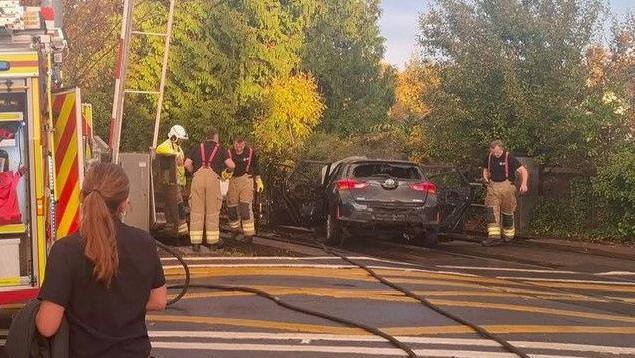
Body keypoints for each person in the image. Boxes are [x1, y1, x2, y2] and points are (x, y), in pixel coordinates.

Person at [35, 162, 167, 358]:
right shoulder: (144, 242)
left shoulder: (65, 250)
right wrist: (124, 304)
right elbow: (158, 300)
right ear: (124, 204)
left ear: (82, 198)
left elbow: (47, 327)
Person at [184, 128, 235, 252]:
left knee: (196, 212)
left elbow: (186, 164)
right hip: (213, 180)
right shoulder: (221, 149)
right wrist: (227, 173)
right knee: (212, 212)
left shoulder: (196, 148)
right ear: (216, 137)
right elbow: (231, 165)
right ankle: (212, 243)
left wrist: (193, 173)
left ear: (206, 137)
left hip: (197, 179)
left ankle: (196, 244)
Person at [481, 140, 529, 246]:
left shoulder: (509, 158)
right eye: (494, 152)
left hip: (507, 187)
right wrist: (485, 177)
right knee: (491, 211)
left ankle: (508, 236)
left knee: (507, 212)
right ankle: (493, 237)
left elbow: (523, 171)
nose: (496, 154)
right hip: (493, 187)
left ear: (502, 148)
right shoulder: (489, 157)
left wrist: (524, 184)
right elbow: (485, 169)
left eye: (498, 152)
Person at [226, 136, 264, 243]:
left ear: (244, 144)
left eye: (241, 146)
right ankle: (235, 230)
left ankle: (249, 235)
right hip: (232, 181)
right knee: (232, 209)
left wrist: (258, 180)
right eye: (237, 146)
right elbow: (223, 166)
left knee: (245, 208)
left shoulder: (250, 152)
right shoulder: (228, 153)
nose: (239, 148)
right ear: (234, 144)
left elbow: (256, 167)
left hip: (246, 180)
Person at [155, 124, 189, 236]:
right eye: (180, 139)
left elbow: (180, 168)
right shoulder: (167, 145)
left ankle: (172, 227)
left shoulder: (178, 148)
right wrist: (175, 156)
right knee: (177, 204)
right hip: (170, 182)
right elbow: (159, 149)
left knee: (170, 204)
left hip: (176, 182)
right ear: (174, 137)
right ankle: (180, 227)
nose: (181, 142)